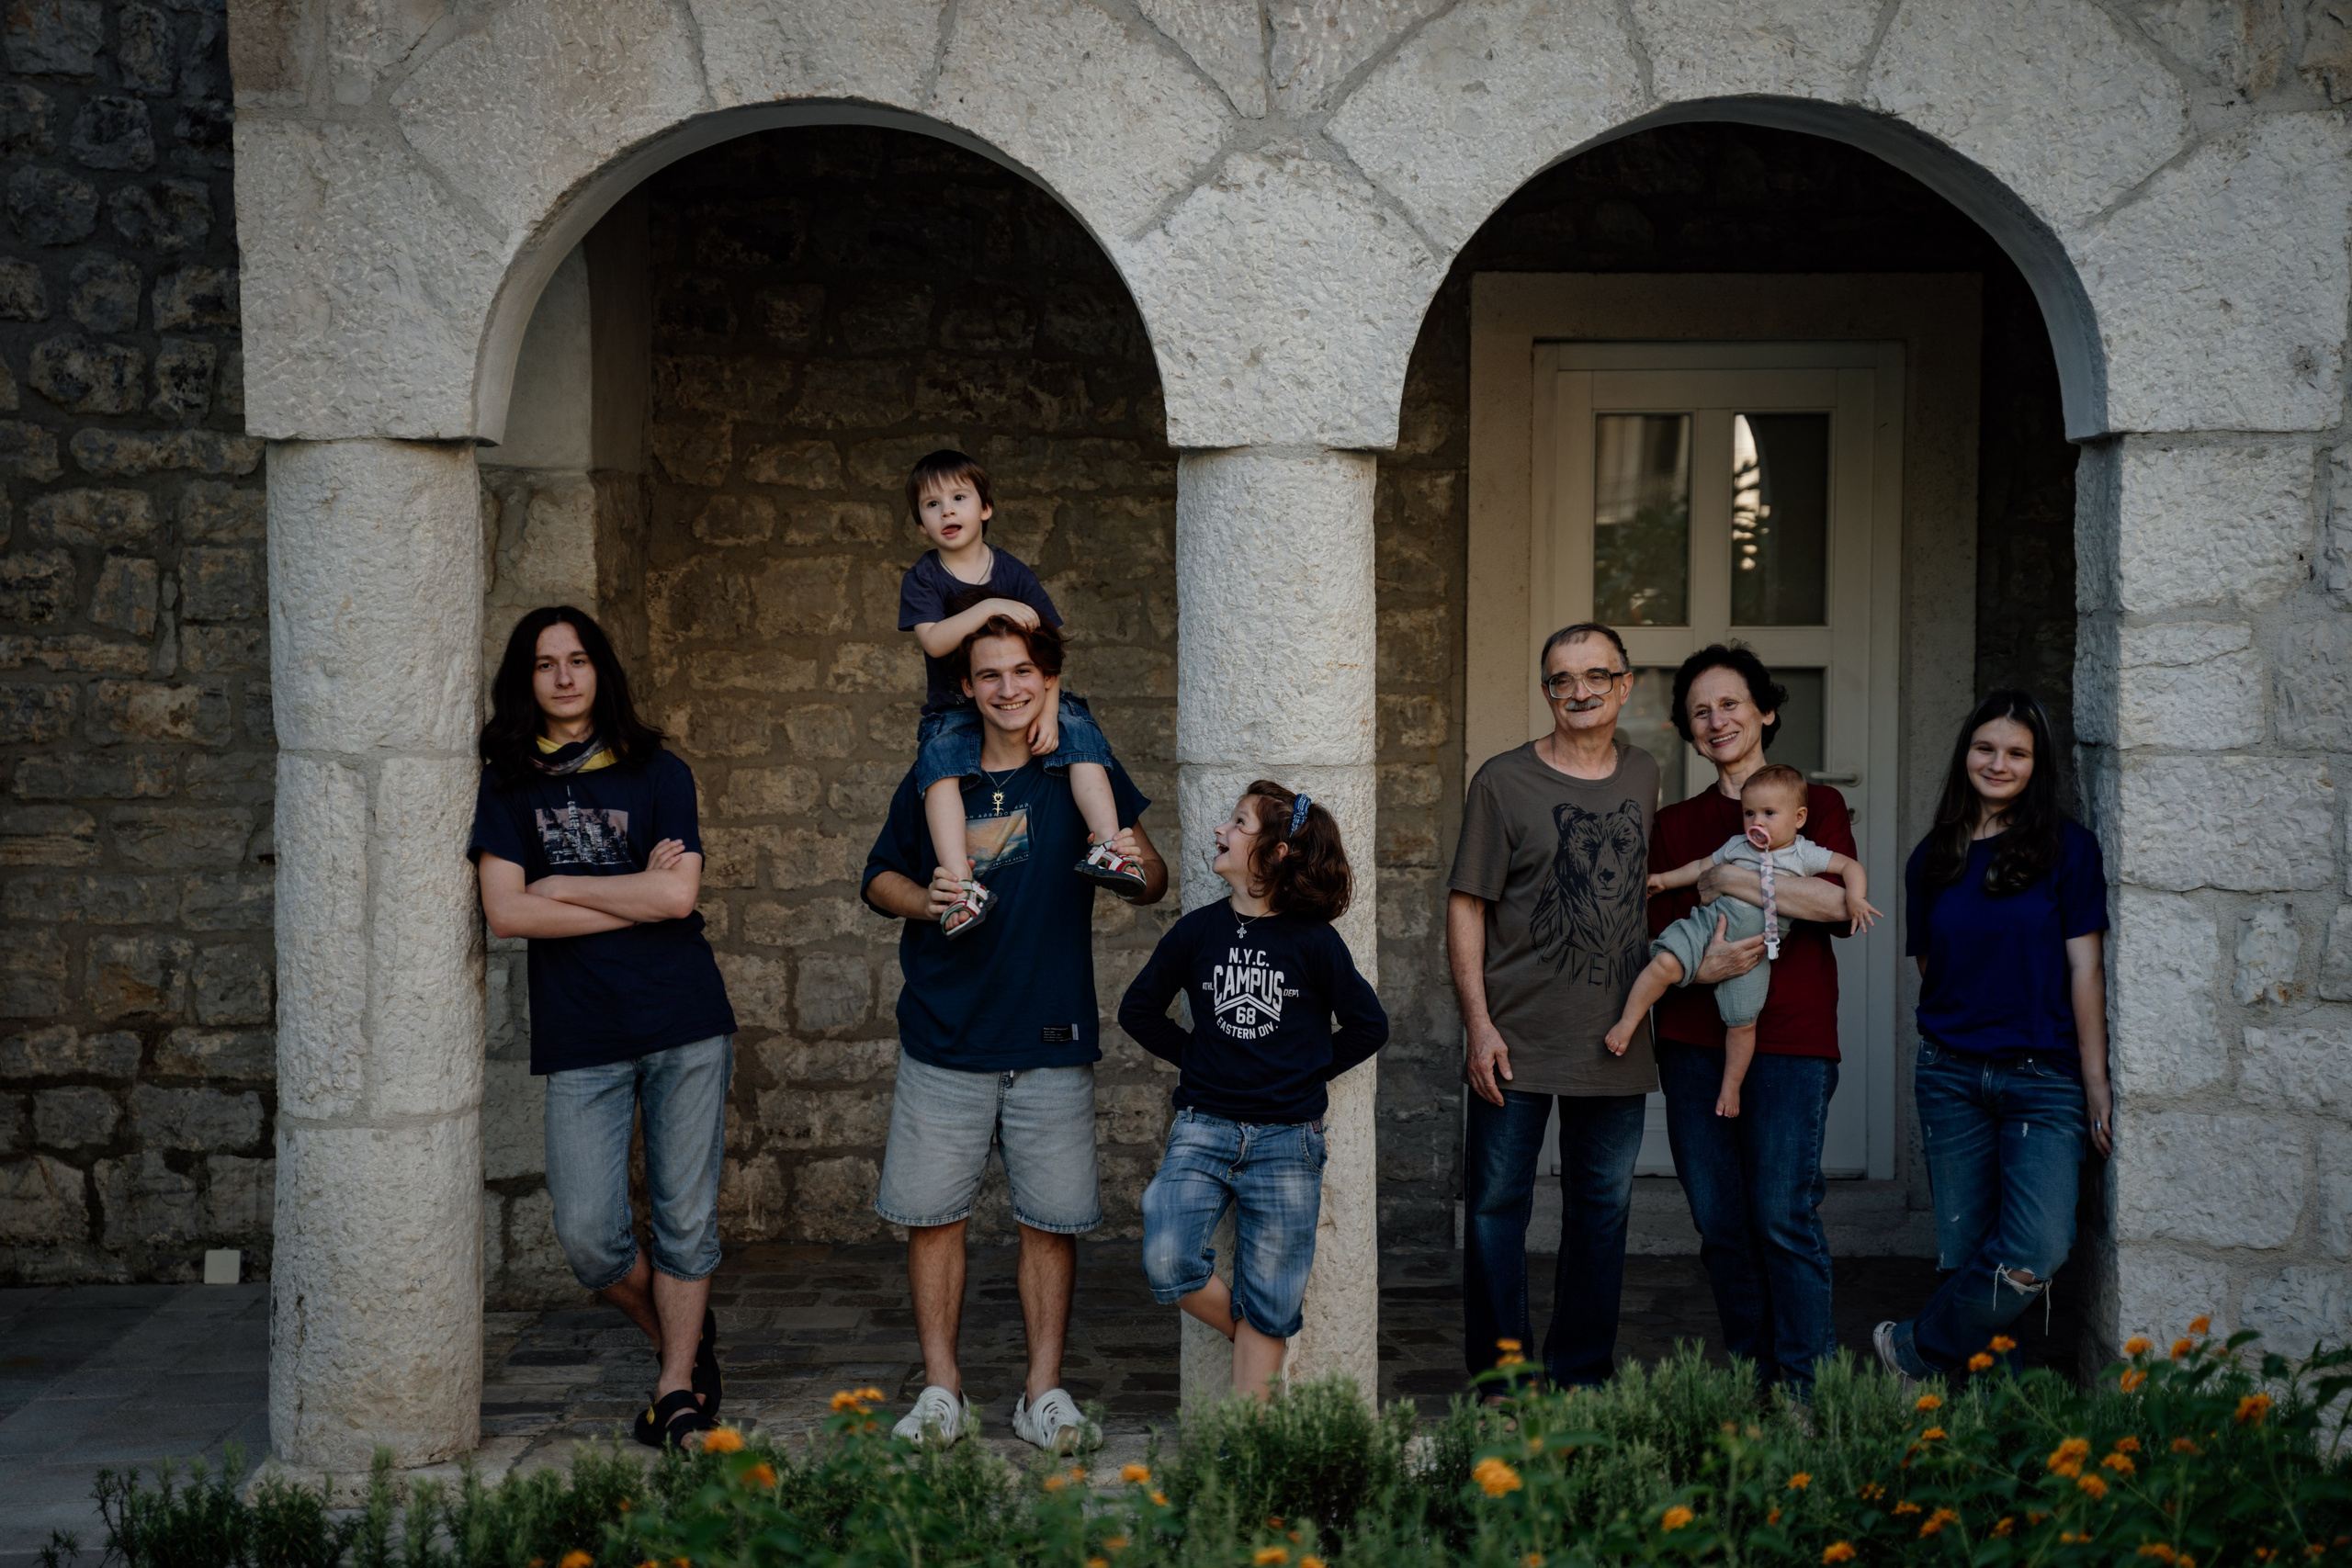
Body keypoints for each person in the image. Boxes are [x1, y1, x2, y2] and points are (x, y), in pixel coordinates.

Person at [861, 606, 1169, 1452]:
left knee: (1051, 1220)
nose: (1007, 687)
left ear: (1048, 678)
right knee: (934, 1217)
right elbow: (879, 874)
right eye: (989, 674)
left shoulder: (1080, 764)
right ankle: (942, 1390)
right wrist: (921, 898)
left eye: (1022, 671)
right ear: (967, 685)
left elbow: (1153, 880)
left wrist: (1129, 860)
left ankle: (1043, 1391)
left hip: (1049, 1033)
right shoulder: (938, 773)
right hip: (945, 1030)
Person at [469, 606, 738, 1450]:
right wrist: (621, 894)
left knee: (685, 1218)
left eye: (578, 659)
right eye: (545, 663)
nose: (563, 675)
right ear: (527, 681)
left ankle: (674, 1388)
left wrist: (559, 888)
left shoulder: (659, 770)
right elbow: (506, 915)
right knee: (589, 1237)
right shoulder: (509, 784)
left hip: (683, 1018)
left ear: (600, 671)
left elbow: (678, 899)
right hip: (582, 1030)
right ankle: (681, 1339)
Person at [1120, 781, 1388, 1399]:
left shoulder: (1313, 940)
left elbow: (1370, 1024)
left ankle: (1248, 1445)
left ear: (1276, 853)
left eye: (1238, 823)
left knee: (1272, 1291)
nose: (1221, 831)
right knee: (1168, 1255)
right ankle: (1259, 1335)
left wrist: (1310, 1066)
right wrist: (1198, 1056)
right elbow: (1139, 1010)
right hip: (1203, 1127)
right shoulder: (1197, 932)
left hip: (1289, 1140)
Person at [1873, 690, 2111, 1382]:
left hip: (2044, 1078)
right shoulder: (1933, 857)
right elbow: (1933, 967)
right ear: (1965, 754)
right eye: (1986, 748)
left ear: (2037, 765)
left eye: (2016, 752)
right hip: (1949, 1074)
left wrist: (2095, 1079)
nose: (1998, 763)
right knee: (1967, 1252)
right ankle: (1988, 1427)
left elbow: (2085, 967)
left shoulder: (2069, 849)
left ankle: (1910, 1351)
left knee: (2033, 1249)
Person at [1448, 623, 1660, 1391]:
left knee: (1601, 1212)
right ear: (1546, 691)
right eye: (1561, 679)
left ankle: (1580, 1374)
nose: (1579, 691)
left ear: (1624, 685)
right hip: (1516, 1035)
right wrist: (1478, 1025)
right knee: (1496, 1209)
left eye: (1595, 676)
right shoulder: (1502, 781)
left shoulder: (1644, 773)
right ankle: (1502, 1379)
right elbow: (1468, 905)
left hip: (1613, 1038)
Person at [1647, 644, 1859, 1408]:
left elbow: (1839, 907)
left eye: (1731, 703)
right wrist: (1697, 967)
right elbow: (1664, 928)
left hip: (1794, 1040)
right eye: (1701, 711)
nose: (1717, 720)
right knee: (1722, 1226)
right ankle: (1755, 1382)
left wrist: (1733, 877)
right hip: (1696, 1044)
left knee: (1783, 1215)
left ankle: (1808, 1394)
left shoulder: (1814, 802)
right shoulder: (1674, 824)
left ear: (1765, 709)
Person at [897, 448, 1146, 936]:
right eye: (932, 505)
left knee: (1080, 730)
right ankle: (962, 887)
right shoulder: (925, 576)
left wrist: (1049, 713)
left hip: (1027, 702)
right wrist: (992, 603)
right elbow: (934, 639)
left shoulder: (1012, 571)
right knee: (940, 764)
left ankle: (1110, 847)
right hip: (952, 710)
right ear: (921, 525)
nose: (947, 510)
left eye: (959, 498)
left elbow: (1050, 652)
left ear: (985, 509)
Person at [1609, 764, 1878, 1118]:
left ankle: (1730, 1087)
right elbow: (1701, 865)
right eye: (1749, 812)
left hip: (1754, 953)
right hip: (1708, 927)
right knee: (1663, 963)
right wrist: (1665, 879)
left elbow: (1849, 868)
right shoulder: (1737, 844)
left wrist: (1857, 898)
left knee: (1743, 1022)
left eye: (1769, 813)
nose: (1757, 821)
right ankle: (1627, 1025)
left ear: (1799, 818)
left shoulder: (1803, 853)